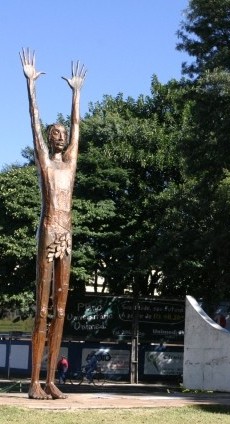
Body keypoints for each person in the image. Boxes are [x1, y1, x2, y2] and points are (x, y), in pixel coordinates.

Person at [20, 48, 86, 400]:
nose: (60, 135)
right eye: (54, 132)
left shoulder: (71, 162)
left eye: (62, 132)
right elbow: (34, 121)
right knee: (41, 308)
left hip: (67, 233)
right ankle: (33, 381)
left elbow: (78, 127)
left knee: (61, 309)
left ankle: (50, 380)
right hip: (48, 230)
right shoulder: (45, 162)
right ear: (48, 139)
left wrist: (76, 94)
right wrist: (30, 86)